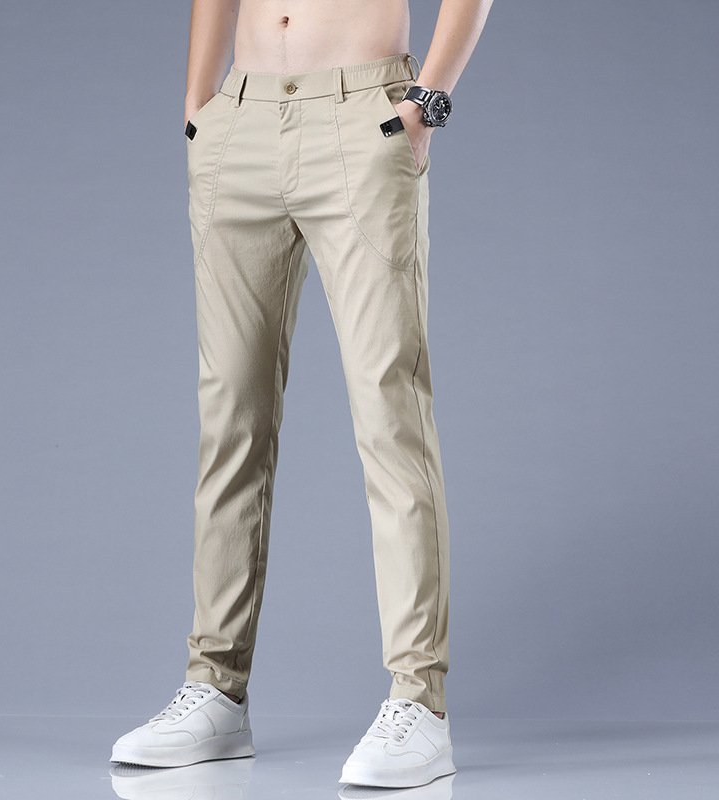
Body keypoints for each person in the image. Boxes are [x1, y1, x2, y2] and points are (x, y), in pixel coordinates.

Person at [111, 0, 493, 789]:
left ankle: (419, 702)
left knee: (391, 413)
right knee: (230, 418)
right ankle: (215, 689)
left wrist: (426, 101)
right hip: (241, 118)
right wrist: (200, 103)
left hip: (364, 113)